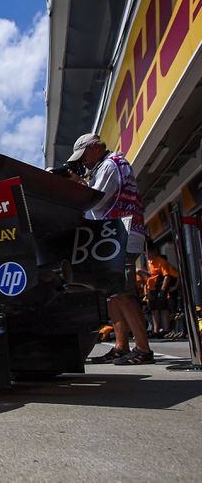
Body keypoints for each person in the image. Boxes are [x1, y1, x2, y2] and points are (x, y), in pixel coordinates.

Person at [68, 133, 153, 365]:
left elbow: (94, 201)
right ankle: (121, 346)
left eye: (84, 155)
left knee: (124, 294)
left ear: (95, 148)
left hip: (122, 233)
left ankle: (143, 349)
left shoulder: (109, 165)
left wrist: (77, 186)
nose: (84, 161)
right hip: (117, 234)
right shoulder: (109, 165)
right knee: (113, 295)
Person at [146, 247, 179, 338]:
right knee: (154, 310)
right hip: (152, 289)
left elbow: (167, 276)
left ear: (153, 252)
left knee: (164, 309)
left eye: (148, 253)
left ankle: (166, 330)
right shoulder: (149, 262)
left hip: (159, 288)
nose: (147, 255)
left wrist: (163, 290)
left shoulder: (161, 261)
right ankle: (156, 330)